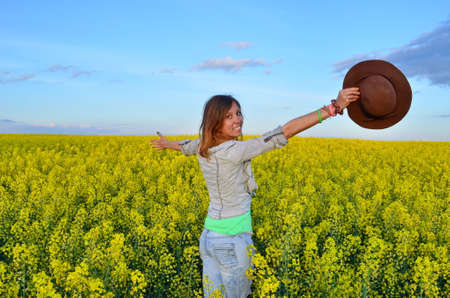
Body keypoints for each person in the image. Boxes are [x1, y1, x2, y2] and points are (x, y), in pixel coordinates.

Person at [150, 88, 360, 297]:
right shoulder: (235, 151)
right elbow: (284, 132)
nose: (237, 120)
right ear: (215, 123)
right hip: (231, 241)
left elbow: (186, 146)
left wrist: (168, 144)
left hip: (209, 239)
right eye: (228, 117)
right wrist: (334, 108)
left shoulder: (203, 146)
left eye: (238, 113)